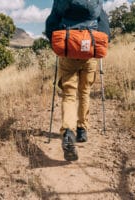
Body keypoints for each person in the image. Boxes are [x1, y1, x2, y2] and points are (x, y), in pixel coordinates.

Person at [45, 0, 110, 161]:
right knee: (85, 92)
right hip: (89, 51)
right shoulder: (96, 2)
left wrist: (56, 44)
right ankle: (82, 130)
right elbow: (104, 25)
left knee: (69, 95)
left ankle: (68, 132)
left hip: (68, 50)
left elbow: (51, 23)